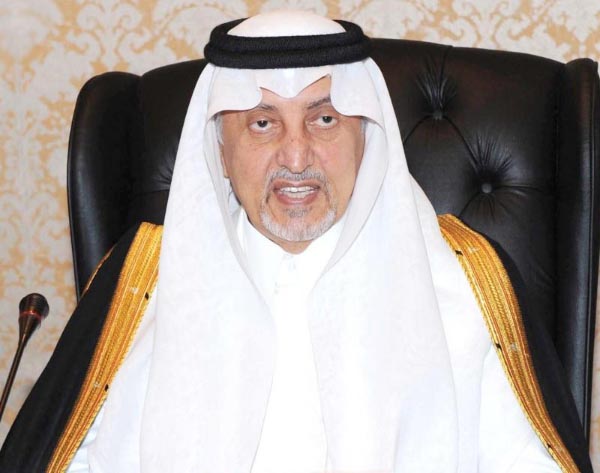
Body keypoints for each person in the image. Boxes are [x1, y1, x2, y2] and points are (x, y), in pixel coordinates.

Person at [0, 10, 592, 473]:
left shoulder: (466, 281)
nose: (296, 156)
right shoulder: (143, 285)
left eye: (324, 118)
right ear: (220, 150)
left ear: (366, 135)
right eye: (262, 124)